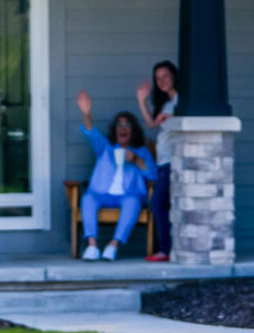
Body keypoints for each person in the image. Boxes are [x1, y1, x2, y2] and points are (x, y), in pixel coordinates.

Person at [76, 91, 157, 261]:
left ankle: (113, 245)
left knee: (132, 201)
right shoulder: (105, 147)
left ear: (133, 130)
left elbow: (153, 175)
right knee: (88, 198)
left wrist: (136, 160)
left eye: (127, 125)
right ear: (114, 129)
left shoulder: (142, 151)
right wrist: (86, 113)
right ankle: (92, 245)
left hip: (128, 195)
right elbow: (90, 131)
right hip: (102, 194)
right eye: (119, 125)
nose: (123, 128)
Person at [136, 60, 180, 262]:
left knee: (158, 203)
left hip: (174, 160)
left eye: (166, 76)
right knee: (164, 204)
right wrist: (141, 101)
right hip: (163, 161)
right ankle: (169, 249)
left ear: (174, 77)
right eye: (158, 78)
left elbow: (187, 116)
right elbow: (152, 124)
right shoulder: (166, 103)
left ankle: (166, 250)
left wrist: (171, 114)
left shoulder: (182, 100)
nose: (162, 81)